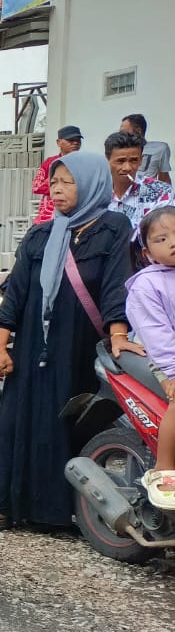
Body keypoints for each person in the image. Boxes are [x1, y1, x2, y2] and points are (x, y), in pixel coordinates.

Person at [0, 152, 138, 535]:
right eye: (53, 182)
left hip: (80, 347)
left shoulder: (113, 227)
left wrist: (119, 335)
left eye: (67, 182)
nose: (56, 190)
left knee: (70, 425)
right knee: (16, 422)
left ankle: (67, 511)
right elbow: (17, 294)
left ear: (90, 184)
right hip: (33, 347)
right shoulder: (42, 234)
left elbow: (115, 287)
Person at [127, 207, 175, 507]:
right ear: (148, 252)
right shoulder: (147, 284)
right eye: (162, 238)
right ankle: (165, 469)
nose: (172, 242)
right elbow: (157, 334)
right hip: (167, 359)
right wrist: (172, 371)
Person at [106, 128, 171, 238]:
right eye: (120, 161)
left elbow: (164, 235)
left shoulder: (160, 192)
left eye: (134, 160)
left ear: (141, 159)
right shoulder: (96, 192)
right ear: (107, 159)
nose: (127, 168)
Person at [33, 125, 83, 223]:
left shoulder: (85, 163)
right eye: (71, 140)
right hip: (50, 215)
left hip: (77, 211)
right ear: (59, 142)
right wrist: (57, 182)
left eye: (78, 140)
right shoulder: (50, 162)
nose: (75, 143)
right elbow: (36, 187)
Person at [123, 113, 172, 184]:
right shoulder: (118, 151)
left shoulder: (160, 148)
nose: (120, 135)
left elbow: (164, 178)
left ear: (138, 131)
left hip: (148, 192)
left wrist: (167, 194)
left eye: (123, 132)